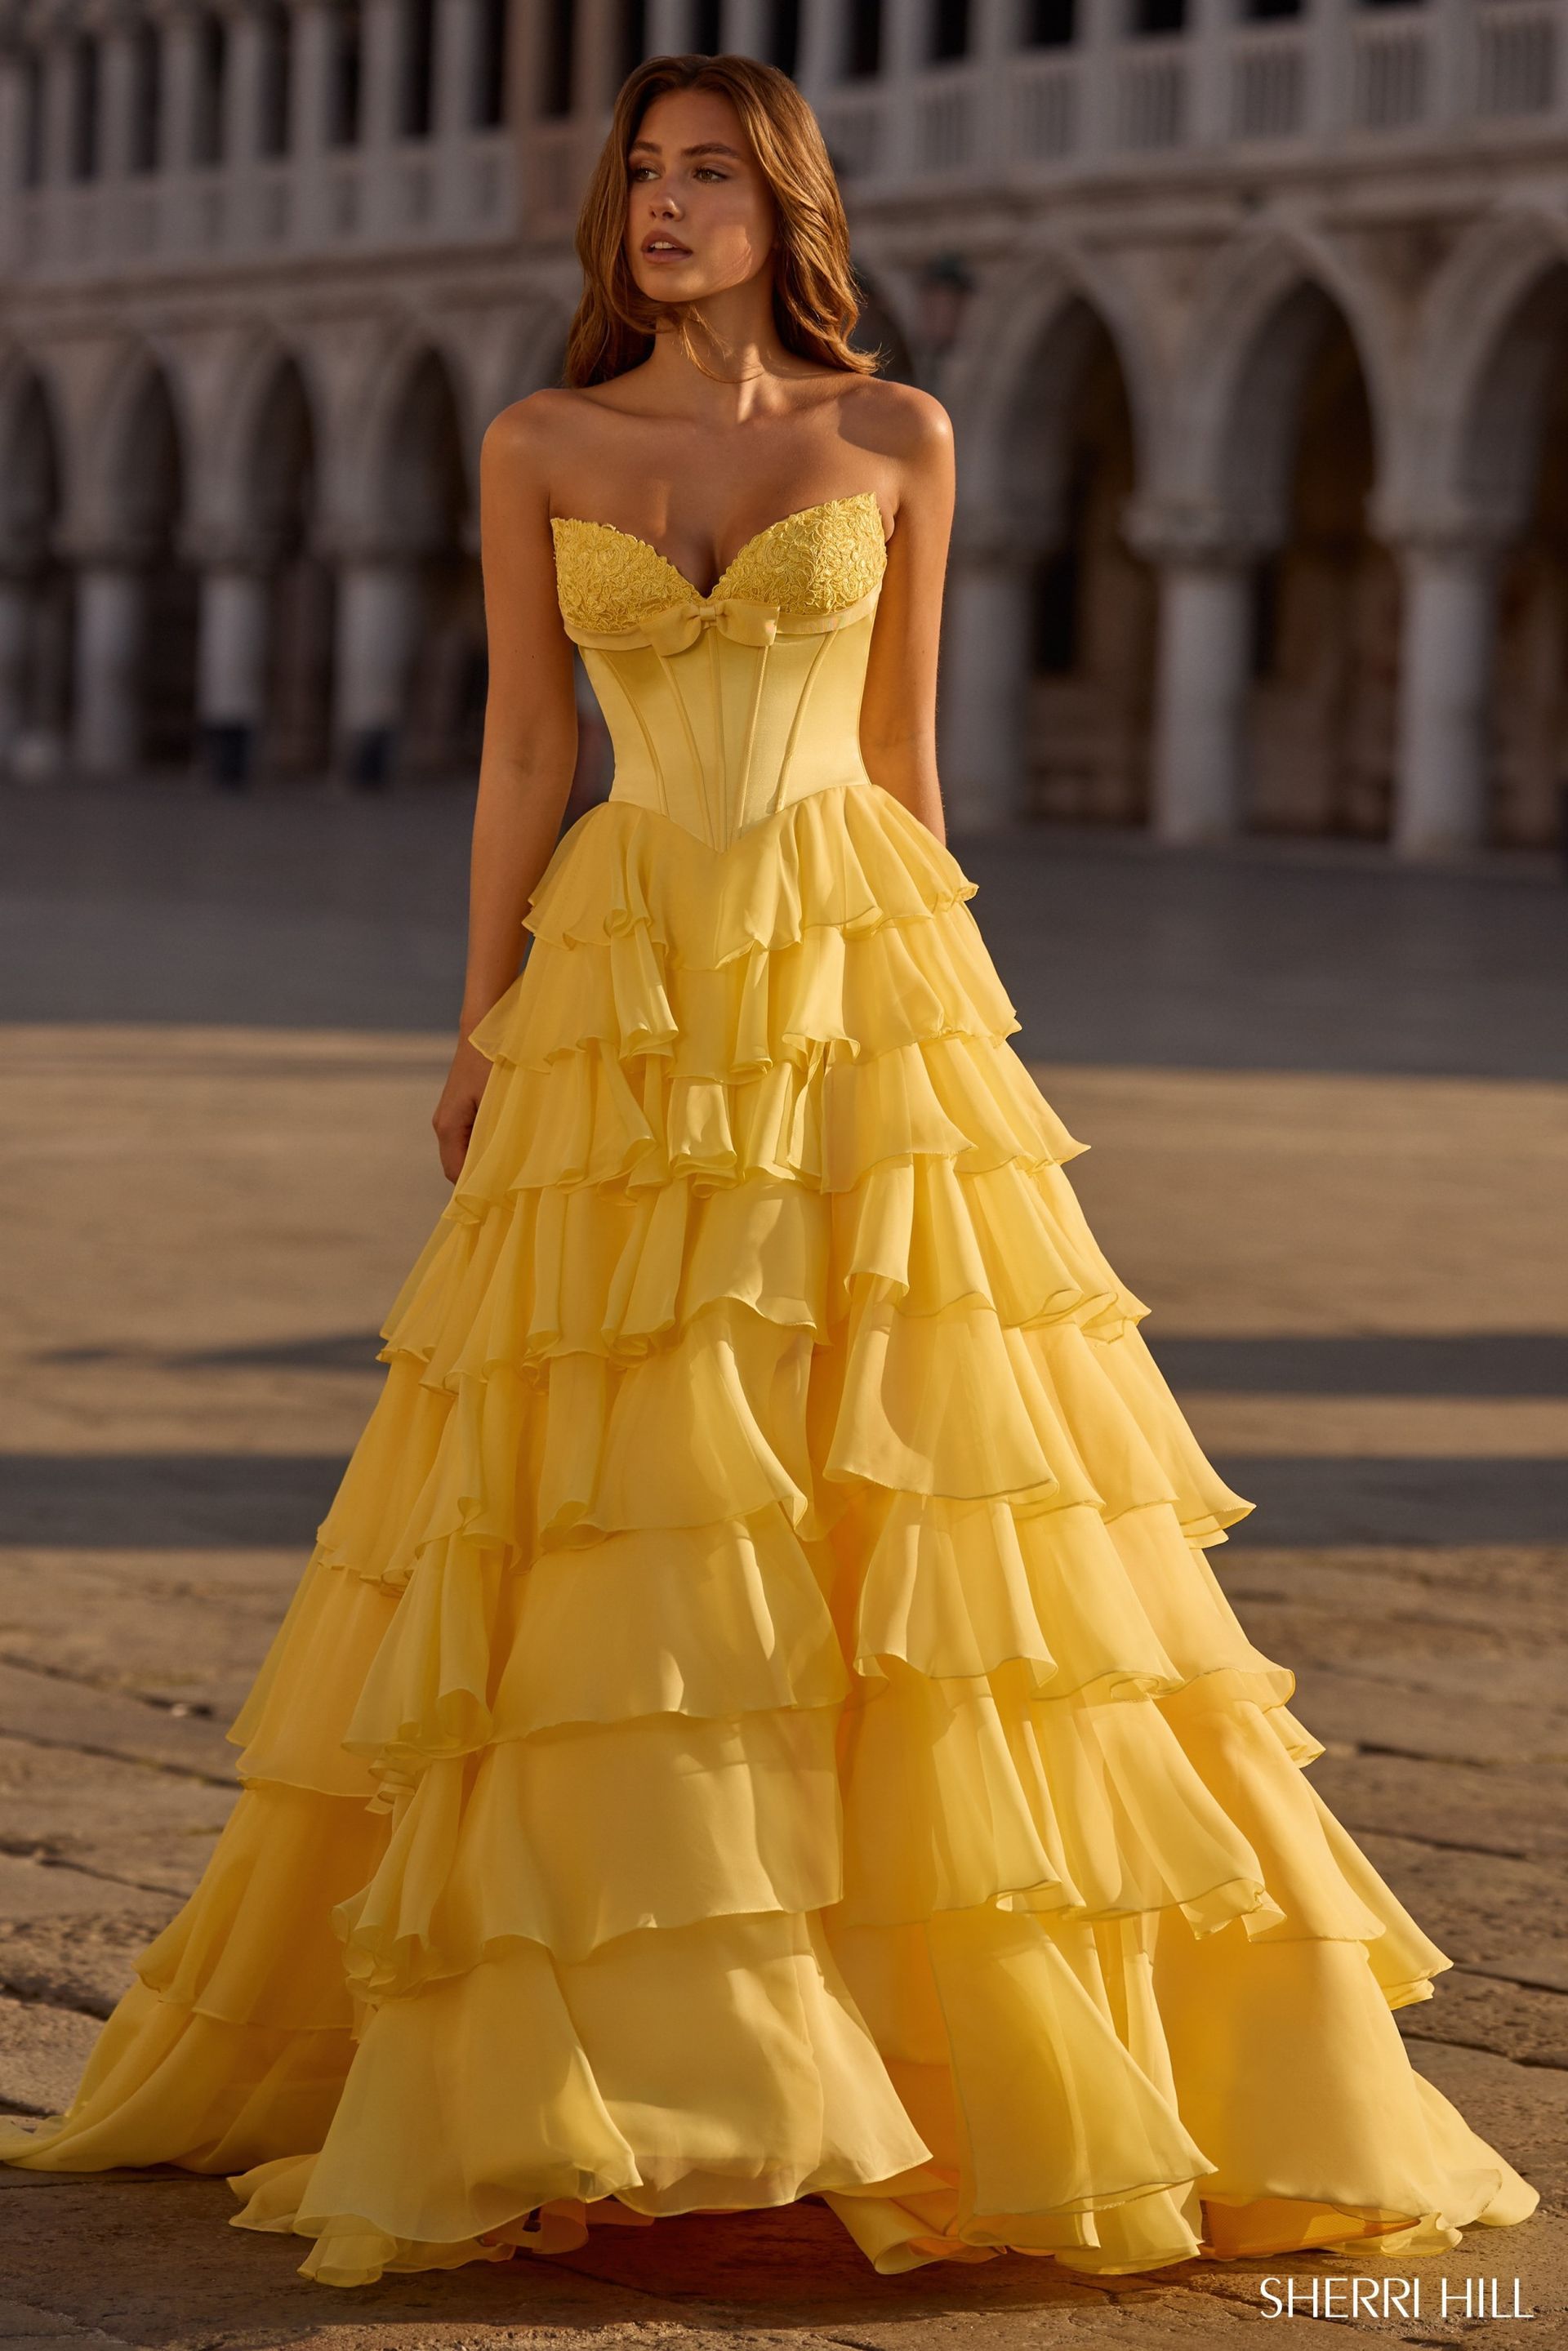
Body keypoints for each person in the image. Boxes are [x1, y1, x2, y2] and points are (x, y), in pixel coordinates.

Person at [0, 51, 1538, 2291]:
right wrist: (474, 1021)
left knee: (902, 1491)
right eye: (643, 177)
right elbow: (530, 742)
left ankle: (925, 2044)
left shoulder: (895, 434)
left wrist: (951, 1041)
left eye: (711, 175)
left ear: (785, 200)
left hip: (850, 968)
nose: (665, 209)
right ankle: (629, 2050)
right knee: (628, 1483)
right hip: (624, 978)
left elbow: (905, 759)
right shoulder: (542, 441)